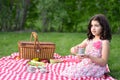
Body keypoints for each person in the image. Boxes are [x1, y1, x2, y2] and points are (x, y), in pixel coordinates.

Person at [60, 14, 112, 78]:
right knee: (68, 71)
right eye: (91, 26)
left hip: (96, 66)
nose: (93, 28)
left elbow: (103, 62)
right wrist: (75, 50)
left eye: (96, 25)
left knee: (74, 74)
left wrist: (89, 56)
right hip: (85, 64)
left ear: (103, 27)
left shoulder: (104, 42)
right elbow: (73, 49)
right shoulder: (88, 40)